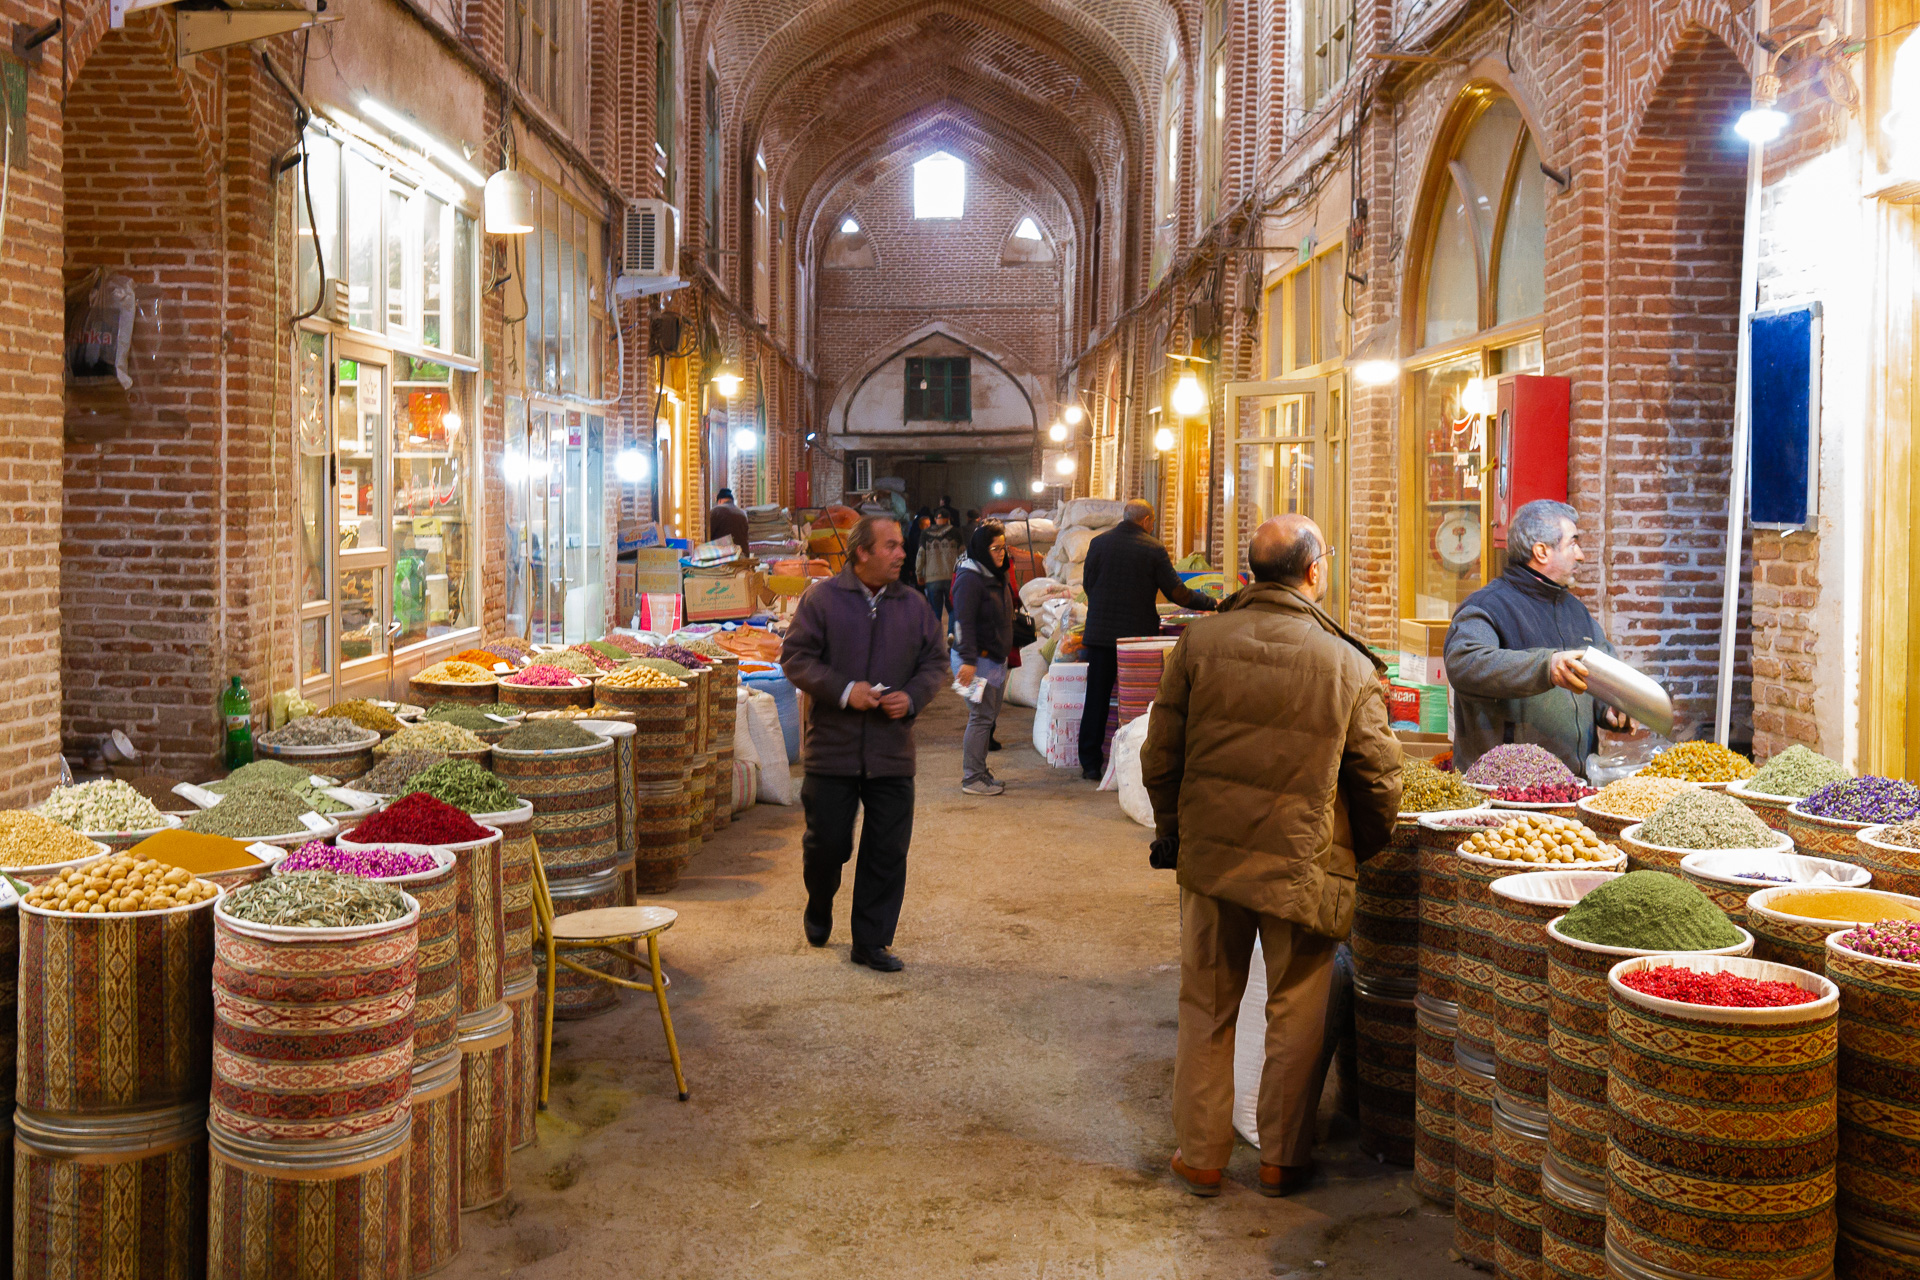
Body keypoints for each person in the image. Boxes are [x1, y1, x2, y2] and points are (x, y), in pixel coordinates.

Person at [1141, 514, 1403, 1199]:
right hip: (1304, 862)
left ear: (1252, 572)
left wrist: (1175, 830)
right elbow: (1379, 778)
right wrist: (1356, 850)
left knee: (1207, 1003)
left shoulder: (1201, 643)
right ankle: (1283, 1160)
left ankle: (1200, 1156)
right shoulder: (1346, 663)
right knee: (1295, 1009)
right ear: (1314, 572)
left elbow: (1160, 755)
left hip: (1212, 860)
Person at [780, 515, 949, 972]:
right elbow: (795, 658)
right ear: (863, 552)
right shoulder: (822, 600)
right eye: (891, 546)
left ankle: (871, 941)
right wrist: (843, 690)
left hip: (892, 753)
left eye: (900, 546)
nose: (901, 553)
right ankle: (819, 900)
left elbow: (936, 663)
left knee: (887, 850)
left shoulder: (914, 606)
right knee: (828, 845)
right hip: (832, 751)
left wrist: (912, 697)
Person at [1444, 499, 1630, 778]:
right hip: (1504, 793)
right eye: (1573, 544)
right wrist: (1546, 667)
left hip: (1570, 789)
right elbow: (1465, 663)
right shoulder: (1487, 606)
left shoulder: (1576, 612)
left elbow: (1602, 667)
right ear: (1541, 551)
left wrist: (1610, 707)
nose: (1580, 555)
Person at [1078, 499, 1217, 781]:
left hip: (1100, 636)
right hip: (1136, 640)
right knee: (1141, 700)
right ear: (1146, 521)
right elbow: (1177, 593)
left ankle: (1090, 764)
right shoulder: (1152, 548)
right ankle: (1141, 759)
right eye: (1153, 522)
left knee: (1096, 698)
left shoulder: (1099, 543)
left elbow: (1087, 585)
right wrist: (1211, 602)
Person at [950, 521, 1014, 796]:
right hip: (973, 662)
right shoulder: (969, 579)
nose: (1001, 553)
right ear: (981, 548)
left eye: (1003, 547)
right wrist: (967, 660)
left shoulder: (993, 574)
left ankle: (980, 771)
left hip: (993, 660)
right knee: (980, 717)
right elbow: (962, 623)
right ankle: (972, 778)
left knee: (988, 717)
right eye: (995, 548)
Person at [915, 510, 963, 632]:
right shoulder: (956, 533)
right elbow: (963, 555)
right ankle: (951, 634)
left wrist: (919, 573)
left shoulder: (925, 534)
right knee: (952, 608)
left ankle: (936, 639)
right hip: (951, 578)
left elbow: (921, 555)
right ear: (949, 519)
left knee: (935, 611)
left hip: (932, 578)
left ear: (936, 519)